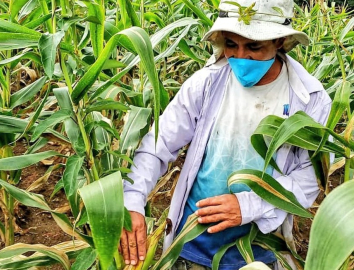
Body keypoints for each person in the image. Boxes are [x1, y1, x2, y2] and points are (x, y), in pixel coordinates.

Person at [119, 0, 332, 269]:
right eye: (231, 44)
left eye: (253, 46)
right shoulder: (206, 83)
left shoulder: (311, 100)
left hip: (259, 250)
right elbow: (158, 145)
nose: (240, 56)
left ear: (279, 41)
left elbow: (309, 177)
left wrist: (249, 205)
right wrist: (133, 200)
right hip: (193, 242)